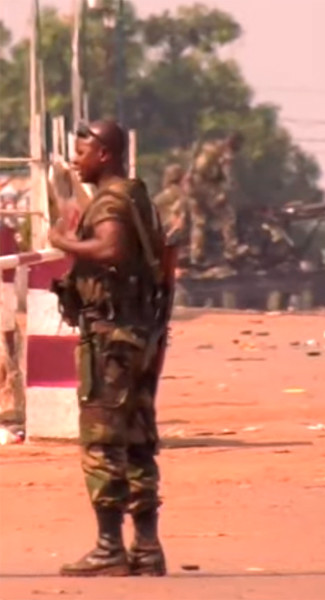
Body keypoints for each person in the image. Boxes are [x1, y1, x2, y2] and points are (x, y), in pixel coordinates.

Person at [48, 119, 170, 577]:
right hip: (140, 333)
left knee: (102, 442)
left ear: (104, 154)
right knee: (138, 439)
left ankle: (108, 548)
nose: (76, 161)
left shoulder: (113, 201)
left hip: (112, 339)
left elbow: (112, 250)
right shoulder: (137, 196)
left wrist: (63, 240)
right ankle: (147, 547)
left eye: (82, 152)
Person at [185, 132, 247, 267]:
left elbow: (192, 166)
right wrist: (224, 193)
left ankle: (196, 255)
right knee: (228, 216)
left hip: (193, 186)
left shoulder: (208, 147)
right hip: (207, 186)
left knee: (198, 222)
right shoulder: (226, 153)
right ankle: (231, 251)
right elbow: (227, 175)